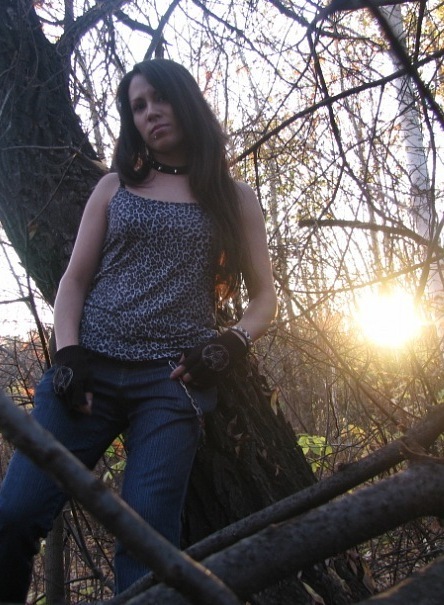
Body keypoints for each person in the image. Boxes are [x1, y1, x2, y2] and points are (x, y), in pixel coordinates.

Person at [0, 58, 277, 601]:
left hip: (171, 383)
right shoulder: (114, 188)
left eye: (160, 98)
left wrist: (230, 343)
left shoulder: (234, 197)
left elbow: (265, 297)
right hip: (86, 377)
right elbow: (74, 282)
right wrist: (69, 354)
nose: (151, 113)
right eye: (138, 106)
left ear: (186, 100)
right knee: (13, 515)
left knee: (149, 543)